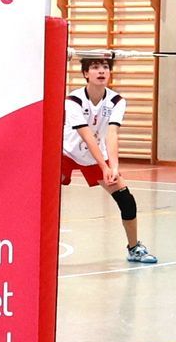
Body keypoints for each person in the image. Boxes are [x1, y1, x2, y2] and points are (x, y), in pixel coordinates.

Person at [63, 53, 157, 265]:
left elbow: (111, 134)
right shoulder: (73, 100)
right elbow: (86, 134)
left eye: (105, 66)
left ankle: (134, 248)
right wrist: (103, 166)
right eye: (95, 67)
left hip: (95, 156)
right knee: (43, 198)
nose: (101, 71)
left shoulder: (116, 101)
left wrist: (113, 167)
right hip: (66, 153)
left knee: (126, 199)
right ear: (85, 73)